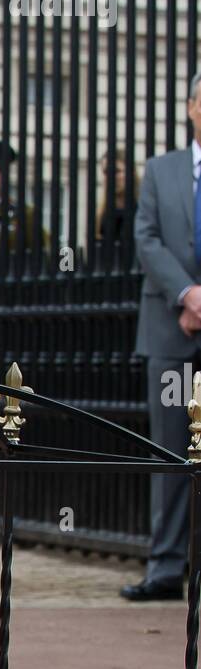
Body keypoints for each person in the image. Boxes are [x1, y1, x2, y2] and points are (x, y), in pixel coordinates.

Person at [122, 71, 201, 601]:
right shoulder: (161, 169)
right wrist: (189, 295)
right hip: (172, 328)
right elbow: (146, 239)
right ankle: (167, 568)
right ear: (193, 107)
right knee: (169, 451)